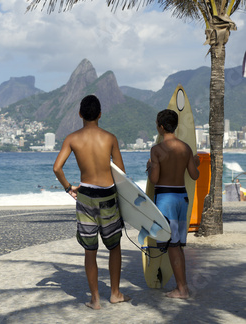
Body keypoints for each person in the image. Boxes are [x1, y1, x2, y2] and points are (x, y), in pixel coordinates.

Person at [53, 94, 130, 310]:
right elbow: (121, 172)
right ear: (100, 114)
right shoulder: (110, 138)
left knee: (90, 250)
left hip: (85, 195)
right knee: (114, 247)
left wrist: (69, 187)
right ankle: (115, 294)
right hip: (107, 196)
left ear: (79, 114)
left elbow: (57, 168)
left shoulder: (72, 138)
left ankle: (95, 299)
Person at [146, 109, 200, 299]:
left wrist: (150, 167)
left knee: (173, 246)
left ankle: (182, 289)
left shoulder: (157, 150)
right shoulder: (185, 148)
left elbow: (154, 179)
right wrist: (196, 163)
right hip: (181, 198)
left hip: (166, 199)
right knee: (177, 245)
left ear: (160, 127)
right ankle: (182, 285)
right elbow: (194, 175)